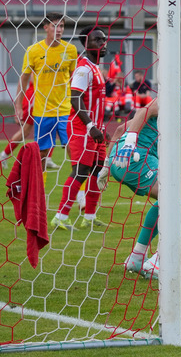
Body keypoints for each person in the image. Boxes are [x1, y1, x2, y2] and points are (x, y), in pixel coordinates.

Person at [98, 57, 181, 279]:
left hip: (123, 158)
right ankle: (161, 259)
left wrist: (107, 165)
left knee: (167, 201)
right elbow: (144, 111)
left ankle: (137, 257)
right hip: (136, 158)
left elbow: (119, 129)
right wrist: (132, 142)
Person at [51, 26, 109, 231]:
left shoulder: (95, 68)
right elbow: (75, 98)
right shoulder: (83, 68)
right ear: (86, 44)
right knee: (80, 171)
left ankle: (90, 217)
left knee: (98, 170)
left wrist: (101, 127)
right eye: (97, 40)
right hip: (82, 128)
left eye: (103, 39)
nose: (103, 44)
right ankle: (60, 216)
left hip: (95, 128)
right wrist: (91, 125)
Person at [16, 13, 77, 172]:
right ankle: (40, 193)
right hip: (43, 111)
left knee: (73, 148)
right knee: (42, 152)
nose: (59, 30)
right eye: (55, 26)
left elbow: (74, 79)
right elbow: (23, 79)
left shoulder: (70, 50)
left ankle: (80, 191)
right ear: (45, 28)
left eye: (61, 26)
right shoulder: (33, 51)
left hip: (65, 109)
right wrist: (17, 106)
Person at [0, 82, 34, 168]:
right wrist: (18, 107)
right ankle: (4, 154)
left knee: (50, 127)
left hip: (46, 98)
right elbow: (26, 81)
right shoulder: (36, 70)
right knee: (25, 131)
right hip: (34, 99)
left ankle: (47, 158)